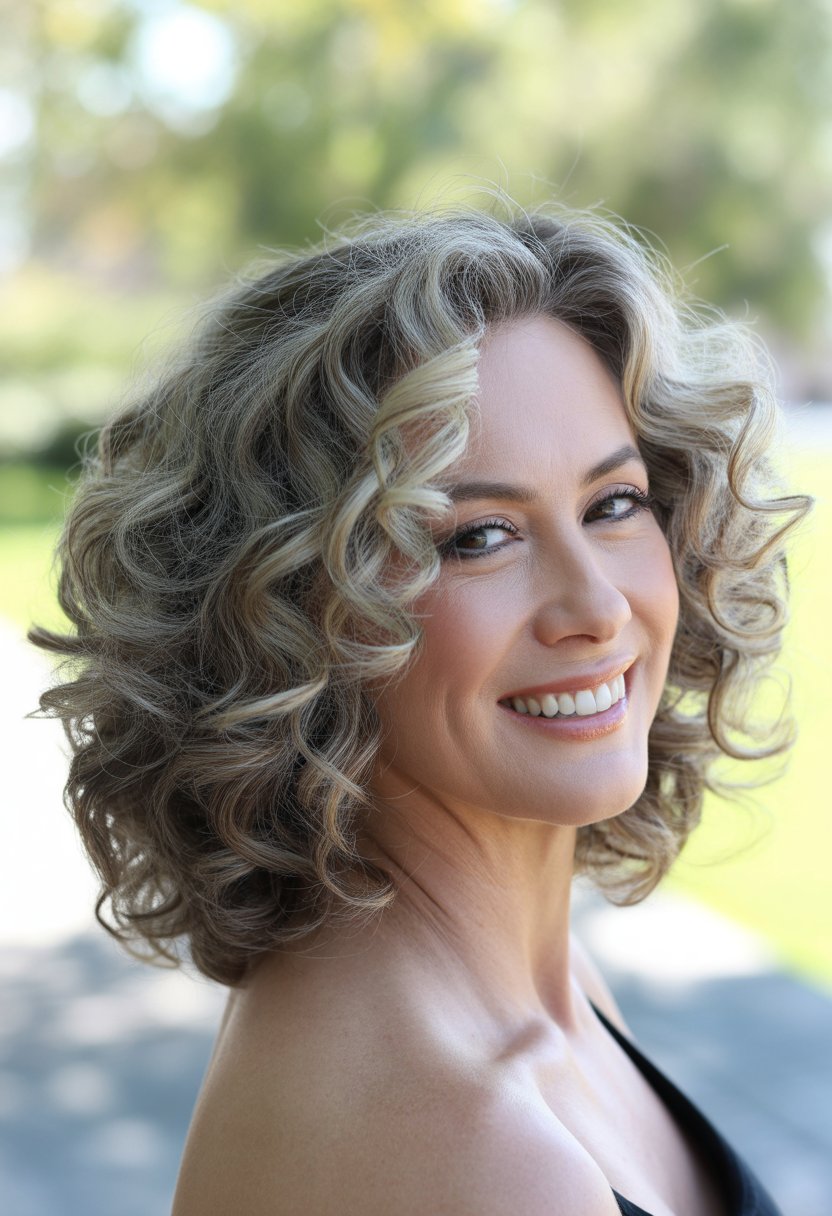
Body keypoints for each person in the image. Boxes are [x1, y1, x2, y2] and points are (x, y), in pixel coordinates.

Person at [32, 203, 809, 1216]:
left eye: (613, 504)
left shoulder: (526, 991)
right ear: (300, 611)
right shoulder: (469, 1149)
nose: (596, 606)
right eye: (478, 536)